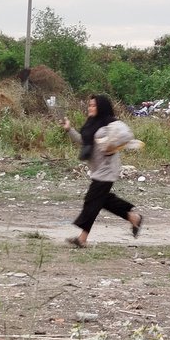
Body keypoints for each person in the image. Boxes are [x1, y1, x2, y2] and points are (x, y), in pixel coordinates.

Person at [61, 94, 144, 248]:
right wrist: (69, 129)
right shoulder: (91, 124)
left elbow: (123, 137)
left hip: (107, 169)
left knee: (91, 201)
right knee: (103, 200)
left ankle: (82, 239)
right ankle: (133, 217)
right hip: (97, 169)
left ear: (101, 107)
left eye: (94, 105)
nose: (90, 108)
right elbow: (83, 141)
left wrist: (110, 148)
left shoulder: (109, 123)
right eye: (90, 105)